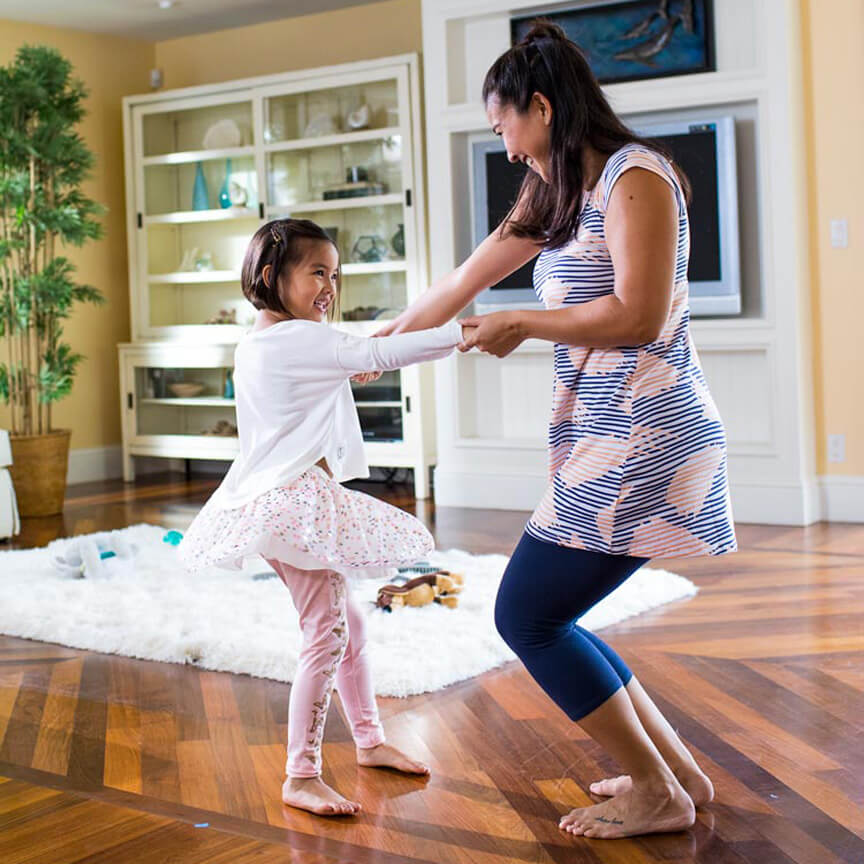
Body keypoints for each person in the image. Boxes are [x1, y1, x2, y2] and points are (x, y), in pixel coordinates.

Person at [375, 21, 736, 840]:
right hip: (605, 436)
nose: (504, 148)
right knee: (549, 614)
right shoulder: (556, 192)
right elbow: (463, 281)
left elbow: (639, 315)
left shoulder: (635, 179)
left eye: (506, 126)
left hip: (647, 434)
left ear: (541, 107)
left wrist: (526, 324)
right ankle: (675, 775)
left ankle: (657, 791)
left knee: (527, 617)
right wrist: (370, 354)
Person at [180, 218, 472, 817]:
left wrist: (348, 363)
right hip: (292, 502)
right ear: (271, 277)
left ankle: (368, 742)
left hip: (271, 500)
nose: (330, 287)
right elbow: (378, 351)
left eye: (335, 275)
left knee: (349, 628)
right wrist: (462, 334)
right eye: (318, 272)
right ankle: (301, 774)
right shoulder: (303, 339)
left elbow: (335, 368)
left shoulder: (263, 340)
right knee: (327, 633)